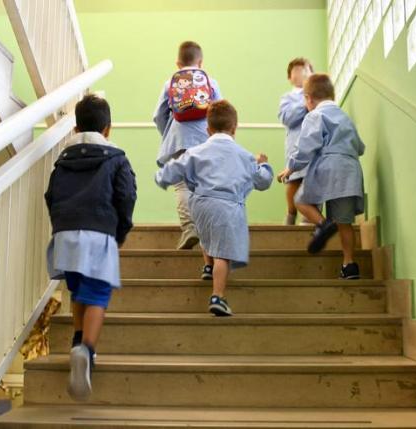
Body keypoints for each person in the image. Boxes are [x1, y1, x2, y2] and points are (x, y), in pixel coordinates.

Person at [45, 95, 137, 401]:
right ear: (108, 129)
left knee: (77, 291)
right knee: (97, 293)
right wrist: (121, 230)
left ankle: (76, 340)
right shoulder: (116, 158)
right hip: (99, 232)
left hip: (66, 234)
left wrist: (60, 226)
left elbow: (51, 196)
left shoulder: (62, 161)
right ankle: (86, 349)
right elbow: (126, 195)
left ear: (75, 129)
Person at [155, 100, 273, 316]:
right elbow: (263, 181)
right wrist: (263, 164)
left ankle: (208, 266)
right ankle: (218, 296)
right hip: (227, 206)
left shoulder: (197, 151)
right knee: (223, 253)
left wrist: (161, 177)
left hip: (200, 203)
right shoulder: (244, 155)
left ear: (207, 129)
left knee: (206, 233)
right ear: (234, 128)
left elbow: (177, 166)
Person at [278, 74, 365, 279]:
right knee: (344, 222)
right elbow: (360, 147)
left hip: (327, 167)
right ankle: (349, 265)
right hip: (350, 170)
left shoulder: (315, 116)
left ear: (308, 99)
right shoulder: (345, 117)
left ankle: (324, 224)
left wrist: (291, 168)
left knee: (300, 200)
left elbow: (306, 147)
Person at [153, 41, 222, 249]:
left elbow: (158, 115)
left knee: (182, 184)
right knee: (205, 183)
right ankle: (208, 227)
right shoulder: (211, 82)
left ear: (178, 63)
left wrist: (168, 134)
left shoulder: (170, 83)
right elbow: (220, 111)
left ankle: (189, 227)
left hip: (179, 140)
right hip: (206, 139)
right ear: (200, 62)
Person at [277, 57, 314, 225]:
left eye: (305, 70)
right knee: (294, 181)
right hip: (296, 146)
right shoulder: (288, 98)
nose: (302, 74)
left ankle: (310, 216)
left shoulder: (318, 95)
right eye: (297, 71)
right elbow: (287, 118)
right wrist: (305, 104)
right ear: (289, 77)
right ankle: (291, 214)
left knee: (313, 180)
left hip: (315, 146)